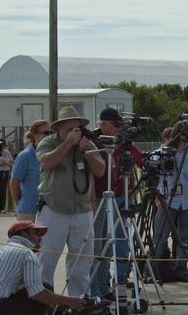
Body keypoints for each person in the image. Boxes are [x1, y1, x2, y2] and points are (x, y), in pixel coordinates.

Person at [36, 106, 104, 296]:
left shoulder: (86, 145)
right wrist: (67, 144)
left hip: (81, 211)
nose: (75, 133)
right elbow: (46, 162)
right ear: (59, 129)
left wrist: (86, 152)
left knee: (82, 261)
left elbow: (100, 171)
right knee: (46, 260)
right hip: (53, 210)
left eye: (78, 128)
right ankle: (44, 304)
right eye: (70, 129)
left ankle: (78, 302)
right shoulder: (48, 143)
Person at [88, 108, 145, 298]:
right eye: (115, 126)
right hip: (100, 198)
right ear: (103, 125)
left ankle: (117, 279)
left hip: (122, 196)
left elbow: (141, 160)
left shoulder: (124, 143)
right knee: (100, 243)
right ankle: (97, 287)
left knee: (120, 239)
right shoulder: (94, 143)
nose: (118, 131)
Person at [153, 126, 188, 282]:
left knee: (184, 238)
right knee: (160, 237)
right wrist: (156, 199)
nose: (186, 141)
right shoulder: (160, 153)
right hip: (167, 202)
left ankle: (181, 269)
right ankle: (152, 271)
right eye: (183, 138)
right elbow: (153, 178)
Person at [9, 120, 50, 223]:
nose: (49, 136)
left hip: (50, 211)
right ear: (35, 134)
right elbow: (14, 183)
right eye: (46, 133)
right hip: (29, 210)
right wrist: (20, 204)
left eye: (51, 133)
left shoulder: (52, 154)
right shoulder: (25, 156)